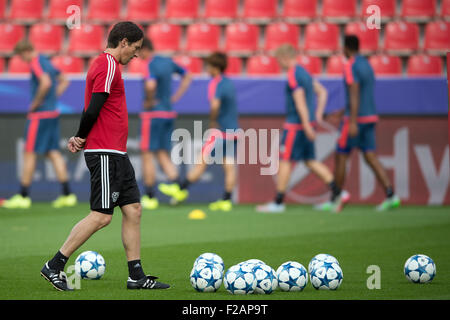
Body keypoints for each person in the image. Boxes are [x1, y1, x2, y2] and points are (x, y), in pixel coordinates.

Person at [40, 22, 169, 291]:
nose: (136, 55)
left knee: (133, 210)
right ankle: (55, 264)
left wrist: (81, 136)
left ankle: (136, 276)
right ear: (123, 42)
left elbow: (93, 106)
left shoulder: (108, 65)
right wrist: (81, 136)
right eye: (134, 48)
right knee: (101, 216)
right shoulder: (108, 64)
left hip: (116, 152)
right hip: (105, 152)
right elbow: (93, 108)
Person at [256, 44, 346, 213]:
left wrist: (305, 124)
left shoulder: (293, 75)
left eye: (278, 60)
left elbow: (300, 102)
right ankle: (339, 192)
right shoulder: (304, 73)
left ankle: (278, 202)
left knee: (285, 160)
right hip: (307, 124)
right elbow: (323, 92)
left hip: (296, 126)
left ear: (283, 57)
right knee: (310, 161)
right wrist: (317, 116)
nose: (278, 64)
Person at [158, 52, 239, 212]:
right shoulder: (229, 83)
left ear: (216, 68)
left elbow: (215, 105)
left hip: (220, 131)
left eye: (209, 66)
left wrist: (213, 123)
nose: (207, 68)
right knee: (229, 164)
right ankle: (227, 200)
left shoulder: (216, 83)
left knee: (201, 163)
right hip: (233, 131)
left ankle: (180, 189)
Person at [328, 35, 400, 212]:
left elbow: (354, 91)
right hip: (369, 117)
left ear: (346, 48)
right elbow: (363, 93)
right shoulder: (367, 65)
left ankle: (336, 198)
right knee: (370, 157)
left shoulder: (350, 65)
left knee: (341, 155)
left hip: (356, 120)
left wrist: (351, 120)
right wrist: (343, 110)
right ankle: (391, 195)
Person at [3, 41, 76, 209]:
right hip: (52, 113)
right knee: (53, 153)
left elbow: (45, 83)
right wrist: (52, 99)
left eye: (23, 56)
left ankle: (23, 196)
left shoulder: (36, 62)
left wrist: (36, 103)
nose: (24, 60)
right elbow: (64, 80)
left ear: (26, 51)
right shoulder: (46, 61)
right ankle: (67, 194)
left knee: (29, 153)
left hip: (40, 115)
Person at [138, 38, 192, 210]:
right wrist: (175, 97)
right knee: (161, 153)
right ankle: (177, 186)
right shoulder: (168, 61)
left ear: (144, 49)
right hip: (168, 112)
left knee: (147, 154)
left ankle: (150, 196)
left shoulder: (150, 64)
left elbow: (151, 85)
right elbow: (188, 76)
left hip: (153, 114)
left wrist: (149, 101)